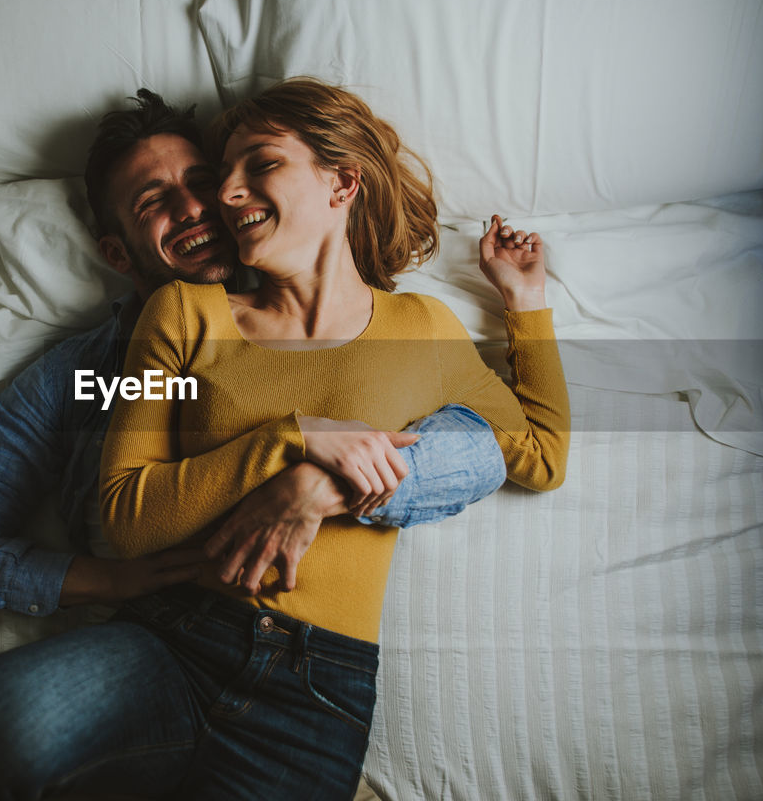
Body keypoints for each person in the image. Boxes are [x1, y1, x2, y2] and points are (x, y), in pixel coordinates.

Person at [0, 89, 515, 800]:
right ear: (117, 252)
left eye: (204, 183)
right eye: (153, 202)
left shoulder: (357, 318)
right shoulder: (85, 381)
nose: (198, 208)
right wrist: (112, 580)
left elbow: (499, 440)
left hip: (311, 683)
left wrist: (325, 481)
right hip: (167, 643)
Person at [95, 78, 569, 798]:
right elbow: (124, 519)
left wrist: (525, 302)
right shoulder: (182, 313)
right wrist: (291, 441)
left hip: (321, 681)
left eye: (260, 164)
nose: (227, 194)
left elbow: (542, 455)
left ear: (342, 181)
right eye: (226, 175)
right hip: (177, 636)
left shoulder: (423, 329)